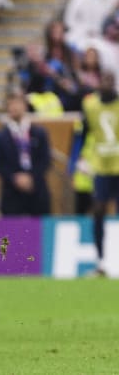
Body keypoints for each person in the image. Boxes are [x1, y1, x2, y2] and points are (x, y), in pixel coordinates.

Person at [72, 72, 119, 277]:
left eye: (110, 80)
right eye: (104, 80)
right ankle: (100, 260)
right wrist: (79, 158)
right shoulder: (90, 106)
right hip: (101, 166)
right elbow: (83, 133)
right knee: (98, 211)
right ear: (99, 83)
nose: (107, 84)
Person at [0, 87, 51, 216]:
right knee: (10, 228)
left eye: (17, 103)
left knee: (38, 225)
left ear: (25, 105)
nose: (13, 107)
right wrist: (15, 178)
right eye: (10, 104)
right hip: (11, 193)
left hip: (36, 190)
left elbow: (45, 160)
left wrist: (31, 177)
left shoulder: (39, 133)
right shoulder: (0, 136)